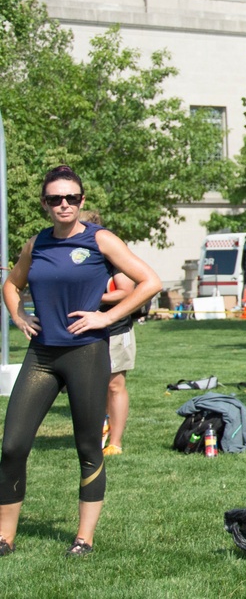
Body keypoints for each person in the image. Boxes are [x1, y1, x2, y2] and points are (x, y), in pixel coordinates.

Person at [1, 165, 160, 557]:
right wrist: (19, 315)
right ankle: (4, 538)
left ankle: (83, 539)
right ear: (45, 203)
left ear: (82, 200)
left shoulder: (100, 239)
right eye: (55, 198)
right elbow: (11, 283)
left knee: (88, 446)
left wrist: (106, 317)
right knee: (12, 446)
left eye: (71, 197)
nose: (64, 204)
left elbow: (150, 281)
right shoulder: (36, 243)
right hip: (41, 354)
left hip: (86, 353)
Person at [79, 209, 136, 457]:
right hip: (83, 328)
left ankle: (116, 441)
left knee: (114, 385)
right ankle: (98, 431)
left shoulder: (111, 255)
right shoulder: (77, 257)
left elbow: (126, 290)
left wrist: (92, 298)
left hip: (114, 329)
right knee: (92, 385)